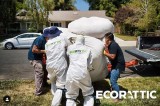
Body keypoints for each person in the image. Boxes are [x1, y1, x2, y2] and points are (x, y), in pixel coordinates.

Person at [66, 36, 94, 106]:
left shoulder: (70, 48)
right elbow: (89, 64)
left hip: (71, 73)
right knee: (88, 92)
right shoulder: (88, 49)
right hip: (83, 73)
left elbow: (68, 56)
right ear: (83, 41)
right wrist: (90, 68)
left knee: (71, 95)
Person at [45, 26, 68, 106]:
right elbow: (67, 47)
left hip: (50, 65)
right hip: (60, 65)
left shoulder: (47, 43)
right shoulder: (62, 39)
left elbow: (47, 53)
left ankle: (56, 96)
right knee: (61, 85)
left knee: (53, 81)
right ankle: (56, 103)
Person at [103, 32, 125, 102]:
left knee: (113, 81)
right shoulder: (110, 45)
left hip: (118, 65)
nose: (104, 40)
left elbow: (112, 56)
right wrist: (106, 47)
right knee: (111, 78)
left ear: (108, 39)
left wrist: (104, 53)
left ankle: (118, 98)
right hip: (115, 64)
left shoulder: (113, 45)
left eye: (105, 38)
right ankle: (114, 92)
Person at [28, 28, 50, 96]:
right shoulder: (40, 39)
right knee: (39, 73)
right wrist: (44, 51)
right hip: (34, 58)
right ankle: (38, 92)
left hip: (39, 57)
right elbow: (34, 50)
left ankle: (44, 83)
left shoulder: (46, 39)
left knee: (45, 70)